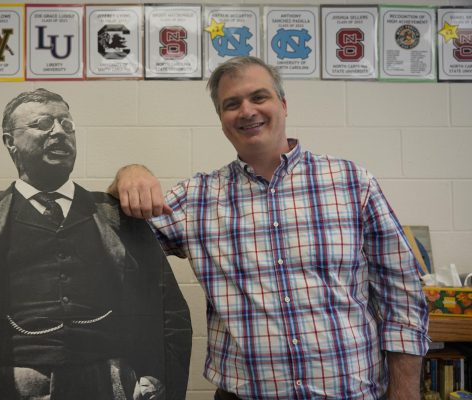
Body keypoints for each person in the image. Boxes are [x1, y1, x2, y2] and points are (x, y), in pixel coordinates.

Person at [110, 56, 429, 400]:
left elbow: (402, 294)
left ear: (283, 105)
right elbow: (110, 240)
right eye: (231, 104)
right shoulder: (195, 199)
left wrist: (406, 391)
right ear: (222, 121)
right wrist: (127, 175)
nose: (246, 111)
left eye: (258, 97)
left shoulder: (353, 183)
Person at [0, 88, 192, 400]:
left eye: (67, 125)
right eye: (43, 124)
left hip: (109, 388)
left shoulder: (120, 218)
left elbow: (170, 314)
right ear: (10, 141)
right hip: (2, 390)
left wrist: (162, 383)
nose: (60, 131)